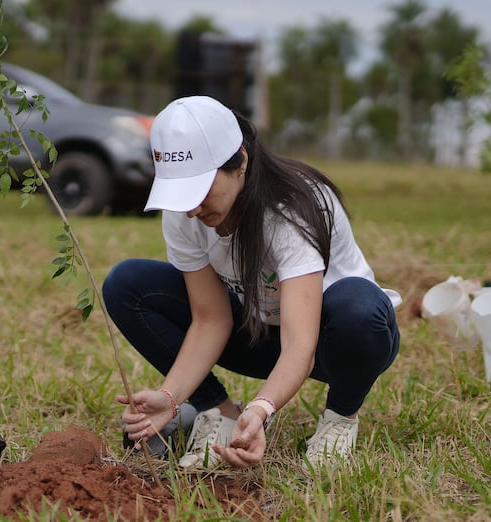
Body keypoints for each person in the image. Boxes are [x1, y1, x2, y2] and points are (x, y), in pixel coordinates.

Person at [102, 95, 401, 471]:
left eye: (200, 189)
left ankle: (339, 420)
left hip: (335, 345)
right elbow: (211, 319)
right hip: (259, 335)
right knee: (127, 284)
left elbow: (300, 344)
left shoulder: (291, 210)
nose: (192, 208)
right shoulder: (185, 213)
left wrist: (262, 409)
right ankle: (219, 412)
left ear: (240, 161)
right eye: (181, 193)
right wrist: (172, 396)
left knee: (359, 307)